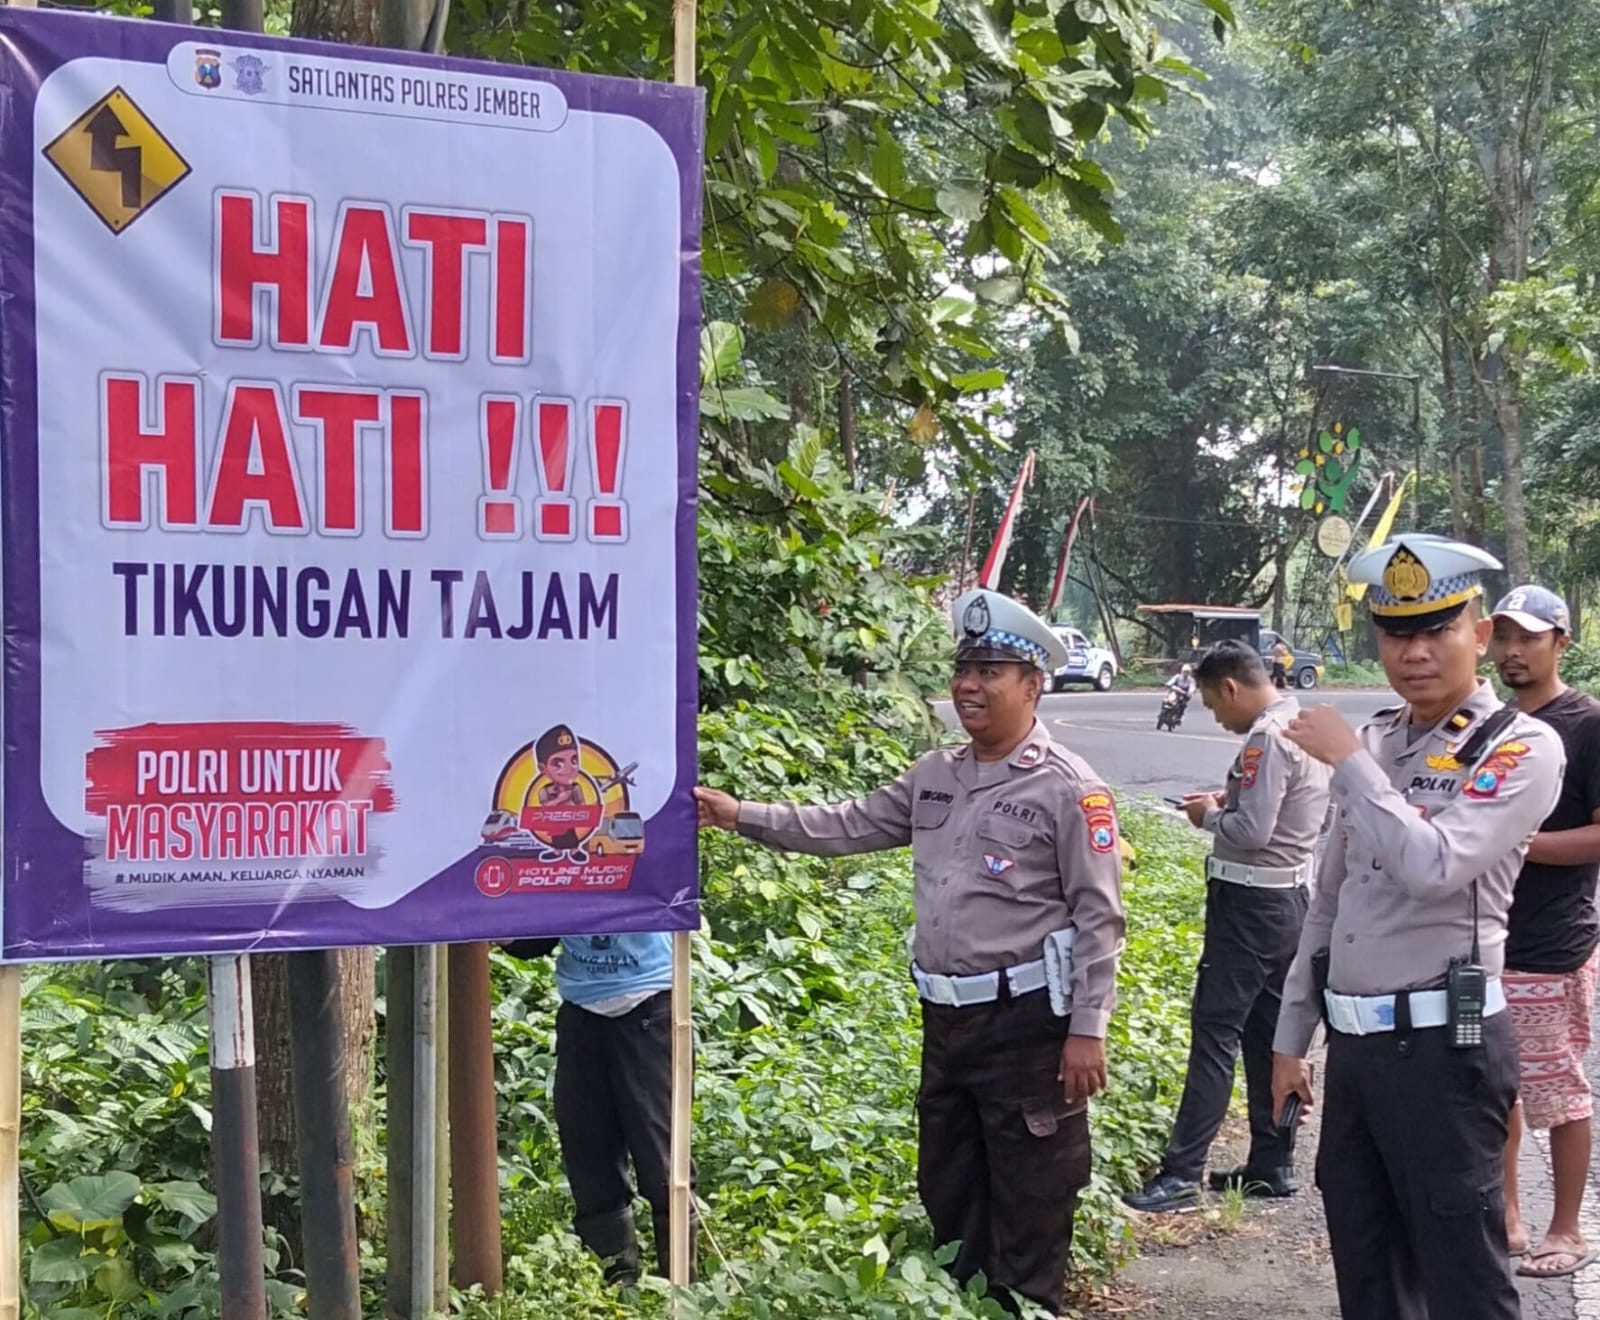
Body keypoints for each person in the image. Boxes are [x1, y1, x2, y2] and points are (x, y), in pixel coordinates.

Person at [695, 588, 1125, 1317]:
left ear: (1032, 684)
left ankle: (1032, 1307)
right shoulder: (936, 775)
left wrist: (1088, 1028)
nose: (968, 685)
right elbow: (846, 823)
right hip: (947, 1022)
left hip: (1026, 1023)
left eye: (990, 670)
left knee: (1032, 1195)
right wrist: (741, 816)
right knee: (951, 1185)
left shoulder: (1070, 790)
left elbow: (1100, 915)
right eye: (963, 668)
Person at [1271, 534, 1564, 1320]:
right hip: (1359, 1052)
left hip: (1446, 1048)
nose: (1416, 652)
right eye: (1398, 632)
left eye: (1438, 628)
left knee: (1463, 1275)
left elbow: (1434, 865)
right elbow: (1327, 904)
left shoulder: (1520, 748)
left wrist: (1352, 768)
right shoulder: (1375, 741)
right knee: (1367, 1267)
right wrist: (1289, 1038)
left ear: (1478, 633)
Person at [1123, 640, 1331, 1213]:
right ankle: (1272, 1161)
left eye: (1214, 704)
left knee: (1214, 1035)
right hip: (1291, 899)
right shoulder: (1304, 723)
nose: (1217, 717)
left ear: (1232, 686)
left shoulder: (1265, 736)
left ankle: (1182, 1173)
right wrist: (1229, 797)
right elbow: (1297, 810)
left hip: (1247, 905)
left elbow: (1251, 832)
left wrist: (1207, 815)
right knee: (1271, 1033)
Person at [1489, 585, 1600, 1279]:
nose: (1512, 651)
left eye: (1528, 637)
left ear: (1561, 641)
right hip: (1485, 939)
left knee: (1555, 1090)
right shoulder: (1492, 722)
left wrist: (1514, 841)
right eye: (1502, 636)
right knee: (1494, 1087)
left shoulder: (1586, 724)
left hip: (1551, 944)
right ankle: (1508, 1215)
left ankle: (1567, 1229)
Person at [503, 932, 694, 1288]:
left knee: (663, 1157)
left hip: (650, 1003)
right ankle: (615, 1285)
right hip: (581, 1014)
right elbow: (538, 938)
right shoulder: (555, 872)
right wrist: (493, 924)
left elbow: (673, 895)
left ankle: (684, 1289)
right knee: (588, 1151)